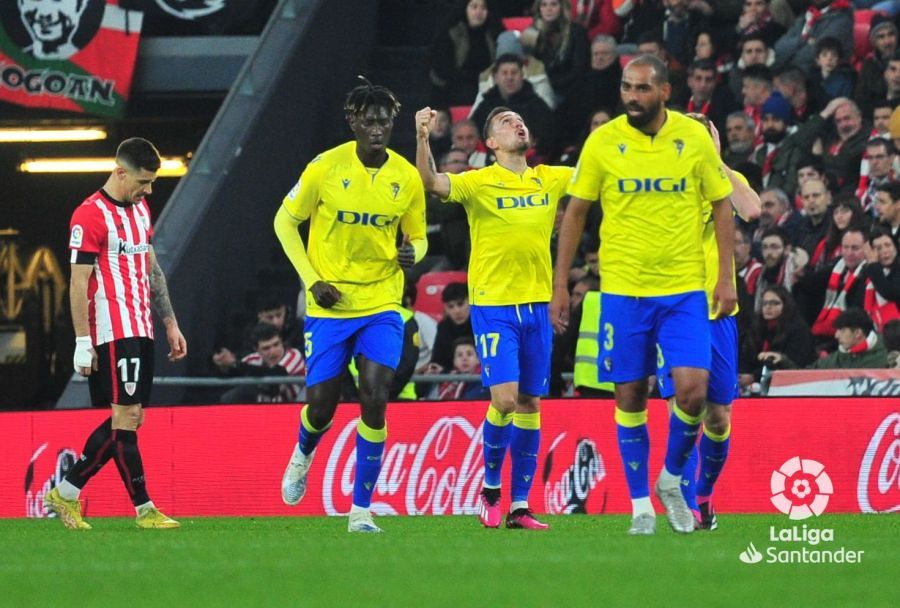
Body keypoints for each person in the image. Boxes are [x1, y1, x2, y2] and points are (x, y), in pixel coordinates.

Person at [551, 54, 736, 535]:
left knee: (693, 392)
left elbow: (722, 207)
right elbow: (574, 213)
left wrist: (726, 279)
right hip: (623, 291)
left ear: (665, 92)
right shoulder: (604, 142)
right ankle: (640, 508)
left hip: (683, 290)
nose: (631, 97)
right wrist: (560, 285)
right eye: (626, 88)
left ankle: (671, 479)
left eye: (641, 89)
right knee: (630, 393)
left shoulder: (693, 139)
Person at [273, 80, 427, 533]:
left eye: (385, 121)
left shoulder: (406, 177)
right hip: (330, 302)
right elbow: (285, 221)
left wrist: (412, 253)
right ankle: (304, 451)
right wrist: (312, 280)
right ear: (353, 122)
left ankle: (361, 510)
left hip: (382, 299)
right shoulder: (324, 167)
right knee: (321, 406)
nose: (377, 128)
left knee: (375, 395)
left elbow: (417, 235)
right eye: (369, 120)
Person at [416, 103, 573, 530]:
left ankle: (520, 506)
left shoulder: (549, 177)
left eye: (519, 119)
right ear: (490, 143)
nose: (517, 122)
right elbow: (430, 181)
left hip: (537, 305)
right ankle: (489, 489)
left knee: (530, 403)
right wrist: (423, 137)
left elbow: (597, 178)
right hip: (494, 305)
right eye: (506, 121)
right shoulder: (479, 182)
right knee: (503, 400)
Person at [45, 137, 187, 530]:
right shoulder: (88, 216)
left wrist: (170, 321)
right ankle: (145, 510)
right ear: (120, 171)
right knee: (125, 417)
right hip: (111, 329)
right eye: (143, 181)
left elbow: (152, 269)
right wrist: (81, 341)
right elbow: (78, 283)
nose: (149, 190)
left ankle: (66, 493)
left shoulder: (140, 209)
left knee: (130, 418)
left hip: (141, 326)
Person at [656, 112, 761, 530]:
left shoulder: (723, 179)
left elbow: (752, 209)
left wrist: (716, 161)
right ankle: (684, 507)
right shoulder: (665, 185)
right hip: (673, 310)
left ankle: (703, 494)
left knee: (718, 420)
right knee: (682, 409)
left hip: (718, 315)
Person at [739, 285, 816, 387]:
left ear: (786, 305)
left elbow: (795, 364)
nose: (768, 307)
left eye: (775, 303)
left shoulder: (799, 331)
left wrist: (754, 377)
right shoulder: (756, 327)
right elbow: (748, 355)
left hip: (792, 384)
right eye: (765, 303)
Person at [214, 322, 306, 404]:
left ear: (282, 342)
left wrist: (235, 363)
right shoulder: (253, 359)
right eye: (266, 348)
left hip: (294, 408)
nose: (273, 351)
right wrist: (224, 364)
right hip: (264, 411)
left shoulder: (294, 356)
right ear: (257, 349)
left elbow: (276, 375)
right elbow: (234, 371)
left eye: (276, 344)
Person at [863, 227, 900, 332]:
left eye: (888, 245)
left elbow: (890, 293)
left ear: (896, 247)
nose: (884, 251)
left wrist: (873, 266)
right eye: (878, 248)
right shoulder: (866, 273)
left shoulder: (874, 270)